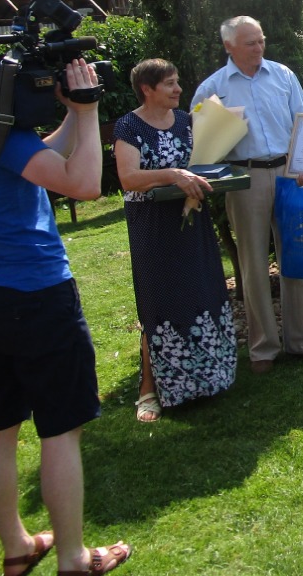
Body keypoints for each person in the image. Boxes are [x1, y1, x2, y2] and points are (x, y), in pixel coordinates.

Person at [0, 41, 131, 576]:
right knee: (60, 429)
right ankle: (72, 557)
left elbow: (38, 154)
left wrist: (68, 112)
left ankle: (17, 547)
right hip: (39, 300)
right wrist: (88, 113)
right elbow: (85, 184)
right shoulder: (6, 142)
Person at [191, 16, 303, 374]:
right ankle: (263, 349)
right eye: (250, 43)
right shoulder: (213, 88)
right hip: (244, 176)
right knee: (252, 263)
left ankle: (302, 342)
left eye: (261, 40)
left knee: (297, 257)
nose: (259, 48)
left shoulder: (283, 75)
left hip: (290, 174)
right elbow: (202, 148)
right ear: (229, 47)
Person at [113, 58, 237, 422]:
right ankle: (150, 388)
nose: (178, 89)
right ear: (147, 89)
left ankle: (209, 379)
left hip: (191, 222)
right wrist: (173, 174)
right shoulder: (128, 125)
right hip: (153, 228)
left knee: (200, 291)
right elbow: (129, 178)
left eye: (177, 81)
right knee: (160, 300)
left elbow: (200, 164)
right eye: (169, 83)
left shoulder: (185, 121)